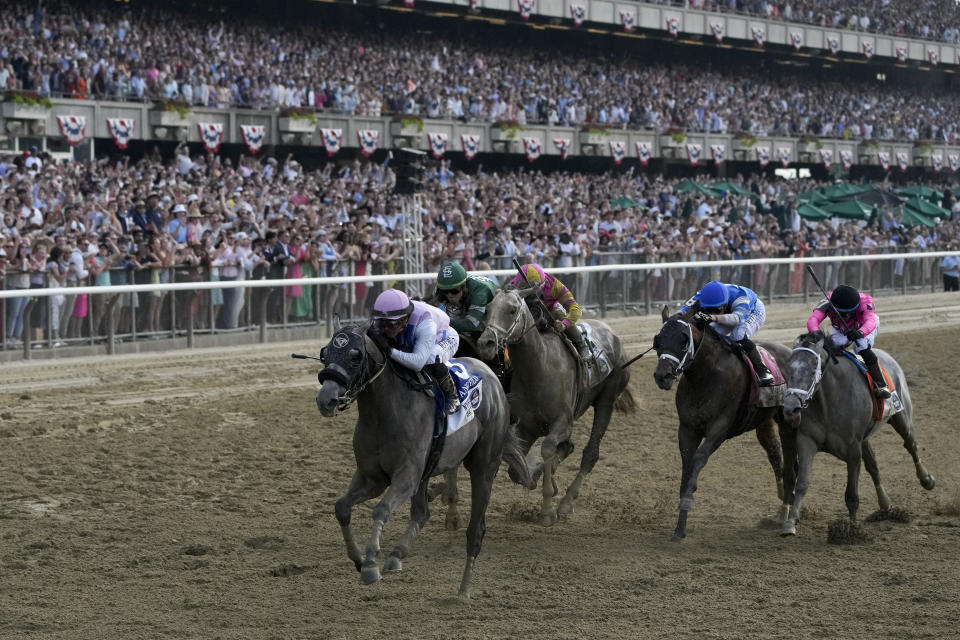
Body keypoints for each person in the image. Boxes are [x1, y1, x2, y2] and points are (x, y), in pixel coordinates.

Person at [370, 289, 461, 415]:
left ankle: (452, 396)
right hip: (414, 336)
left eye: (391, 324)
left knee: (431, 358)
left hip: (444, 338)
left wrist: (390, 351)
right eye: (381, 322)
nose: (385, 328)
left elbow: (418, 363)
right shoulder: (389, 318)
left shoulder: (426, 325)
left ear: (404, 320)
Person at [681, 280, 775, 385]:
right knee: (708, 332)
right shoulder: (701, 295)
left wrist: (712, 317)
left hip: (753, 311)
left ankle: (763, 371)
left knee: (738, 334)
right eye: (708, 309)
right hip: (729, 311)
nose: (711, 311)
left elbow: (737, 319)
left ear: (725, 304)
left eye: (715, 309)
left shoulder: (741, 297)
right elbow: (680, 313)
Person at [806, 284, 890, 399]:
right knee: (830, 348)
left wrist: (860, 332)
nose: (845, 316)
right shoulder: (827, 302)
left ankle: (881, 385)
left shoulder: (865, 303)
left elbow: (870, 321)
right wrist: (817, 334)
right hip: (840, 329)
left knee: (861, 348)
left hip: (864, 326)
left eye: (848, 313)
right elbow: (813, 320)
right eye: (840, 313)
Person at [509, 263, 591, 362]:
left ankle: (581, 344)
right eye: (528, 290)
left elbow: (575, 309)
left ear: (544, 282)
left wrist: (564, 324)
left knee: (558, 313)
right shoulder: (512, 287)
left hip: (549, 311)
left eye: (537, 289)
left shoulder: (554, 285)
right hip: (525, 313)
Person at [434, 261, 498, 342]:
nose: (449, 295)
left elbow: (471, 325)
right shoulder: (443, 285)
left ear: (464, 287)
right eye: (445, 291)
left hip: (490, 311)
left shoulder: (480, 294)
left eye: (454, 291)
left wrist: (442, 323)